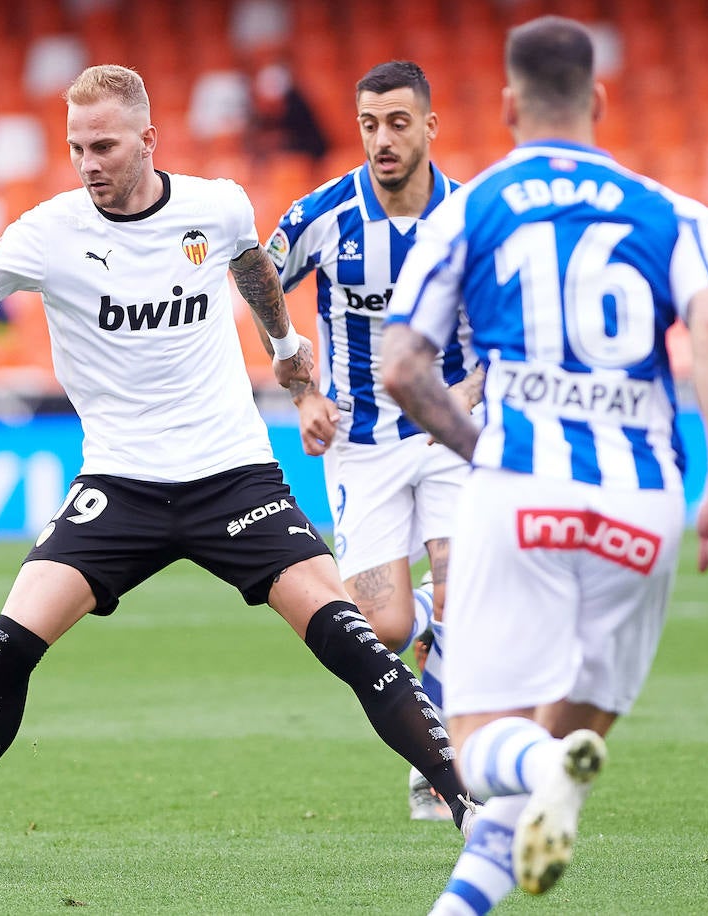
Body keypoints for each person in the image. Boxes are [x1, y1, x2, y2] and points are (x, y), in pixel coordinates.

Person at [0, 64, 475, 869]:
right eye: (75, 147)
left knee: (354, 641)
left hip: (232, 475)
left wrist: (283, 344)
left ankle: (465, 803)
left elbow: (252, 266)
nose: (88, 162)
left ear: (147, 140)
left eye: (104, 145)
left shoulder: (215, 204)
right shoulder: (49, 230)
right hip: (118, 486)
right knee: (10, 645)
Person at [379, 17, 708, 913]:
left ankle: (549, 764)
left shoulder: (470, 206)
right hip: (644, 500)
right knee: (559, 741)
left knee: (479, 750)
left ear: (507, 105)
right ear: (600, 99)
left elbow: (400, 366)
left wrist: (492, 456)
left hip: (522, 497)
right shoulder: (676, 212)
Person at [263, 60, 482, 823]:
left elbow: (512, 321)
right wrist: (302, 390)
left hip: (453, 436)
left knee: (468, 594)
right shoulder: (324, 214)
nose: (382, 139)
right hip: (361, 441)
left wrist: (474, 388)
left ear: (429, 125)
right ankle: (427, 610)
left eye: (397, 122)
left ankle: (441, 771)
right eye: (368, 124)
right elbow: (256, 279)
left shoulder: (471, 218)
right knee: (383, 627)